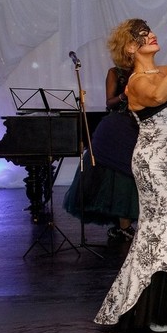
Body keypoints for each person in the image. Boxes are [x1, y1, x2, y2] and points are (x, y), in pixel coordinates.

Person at [94, 18, 167, 333]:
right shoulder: (137, 81)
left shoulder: (159, 71)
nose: (151, 35)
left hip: (165, 166)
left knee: (154, 236)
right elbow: (160, 96)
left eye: (149, 31)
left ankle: (142, 309)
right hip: (152, 166)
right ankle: (153, 310)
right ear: (129, 47)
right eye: (141, 35)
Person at [63, 60, 140, 243]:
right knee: (118, 176)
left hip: (137, 128)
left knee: (131, 175)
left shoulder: (144, 71)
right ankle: (122, 225)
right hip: (116, 129)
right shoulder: (115, 72)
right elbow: (110, 103)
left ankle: (125, 224)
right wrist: (124, 95)